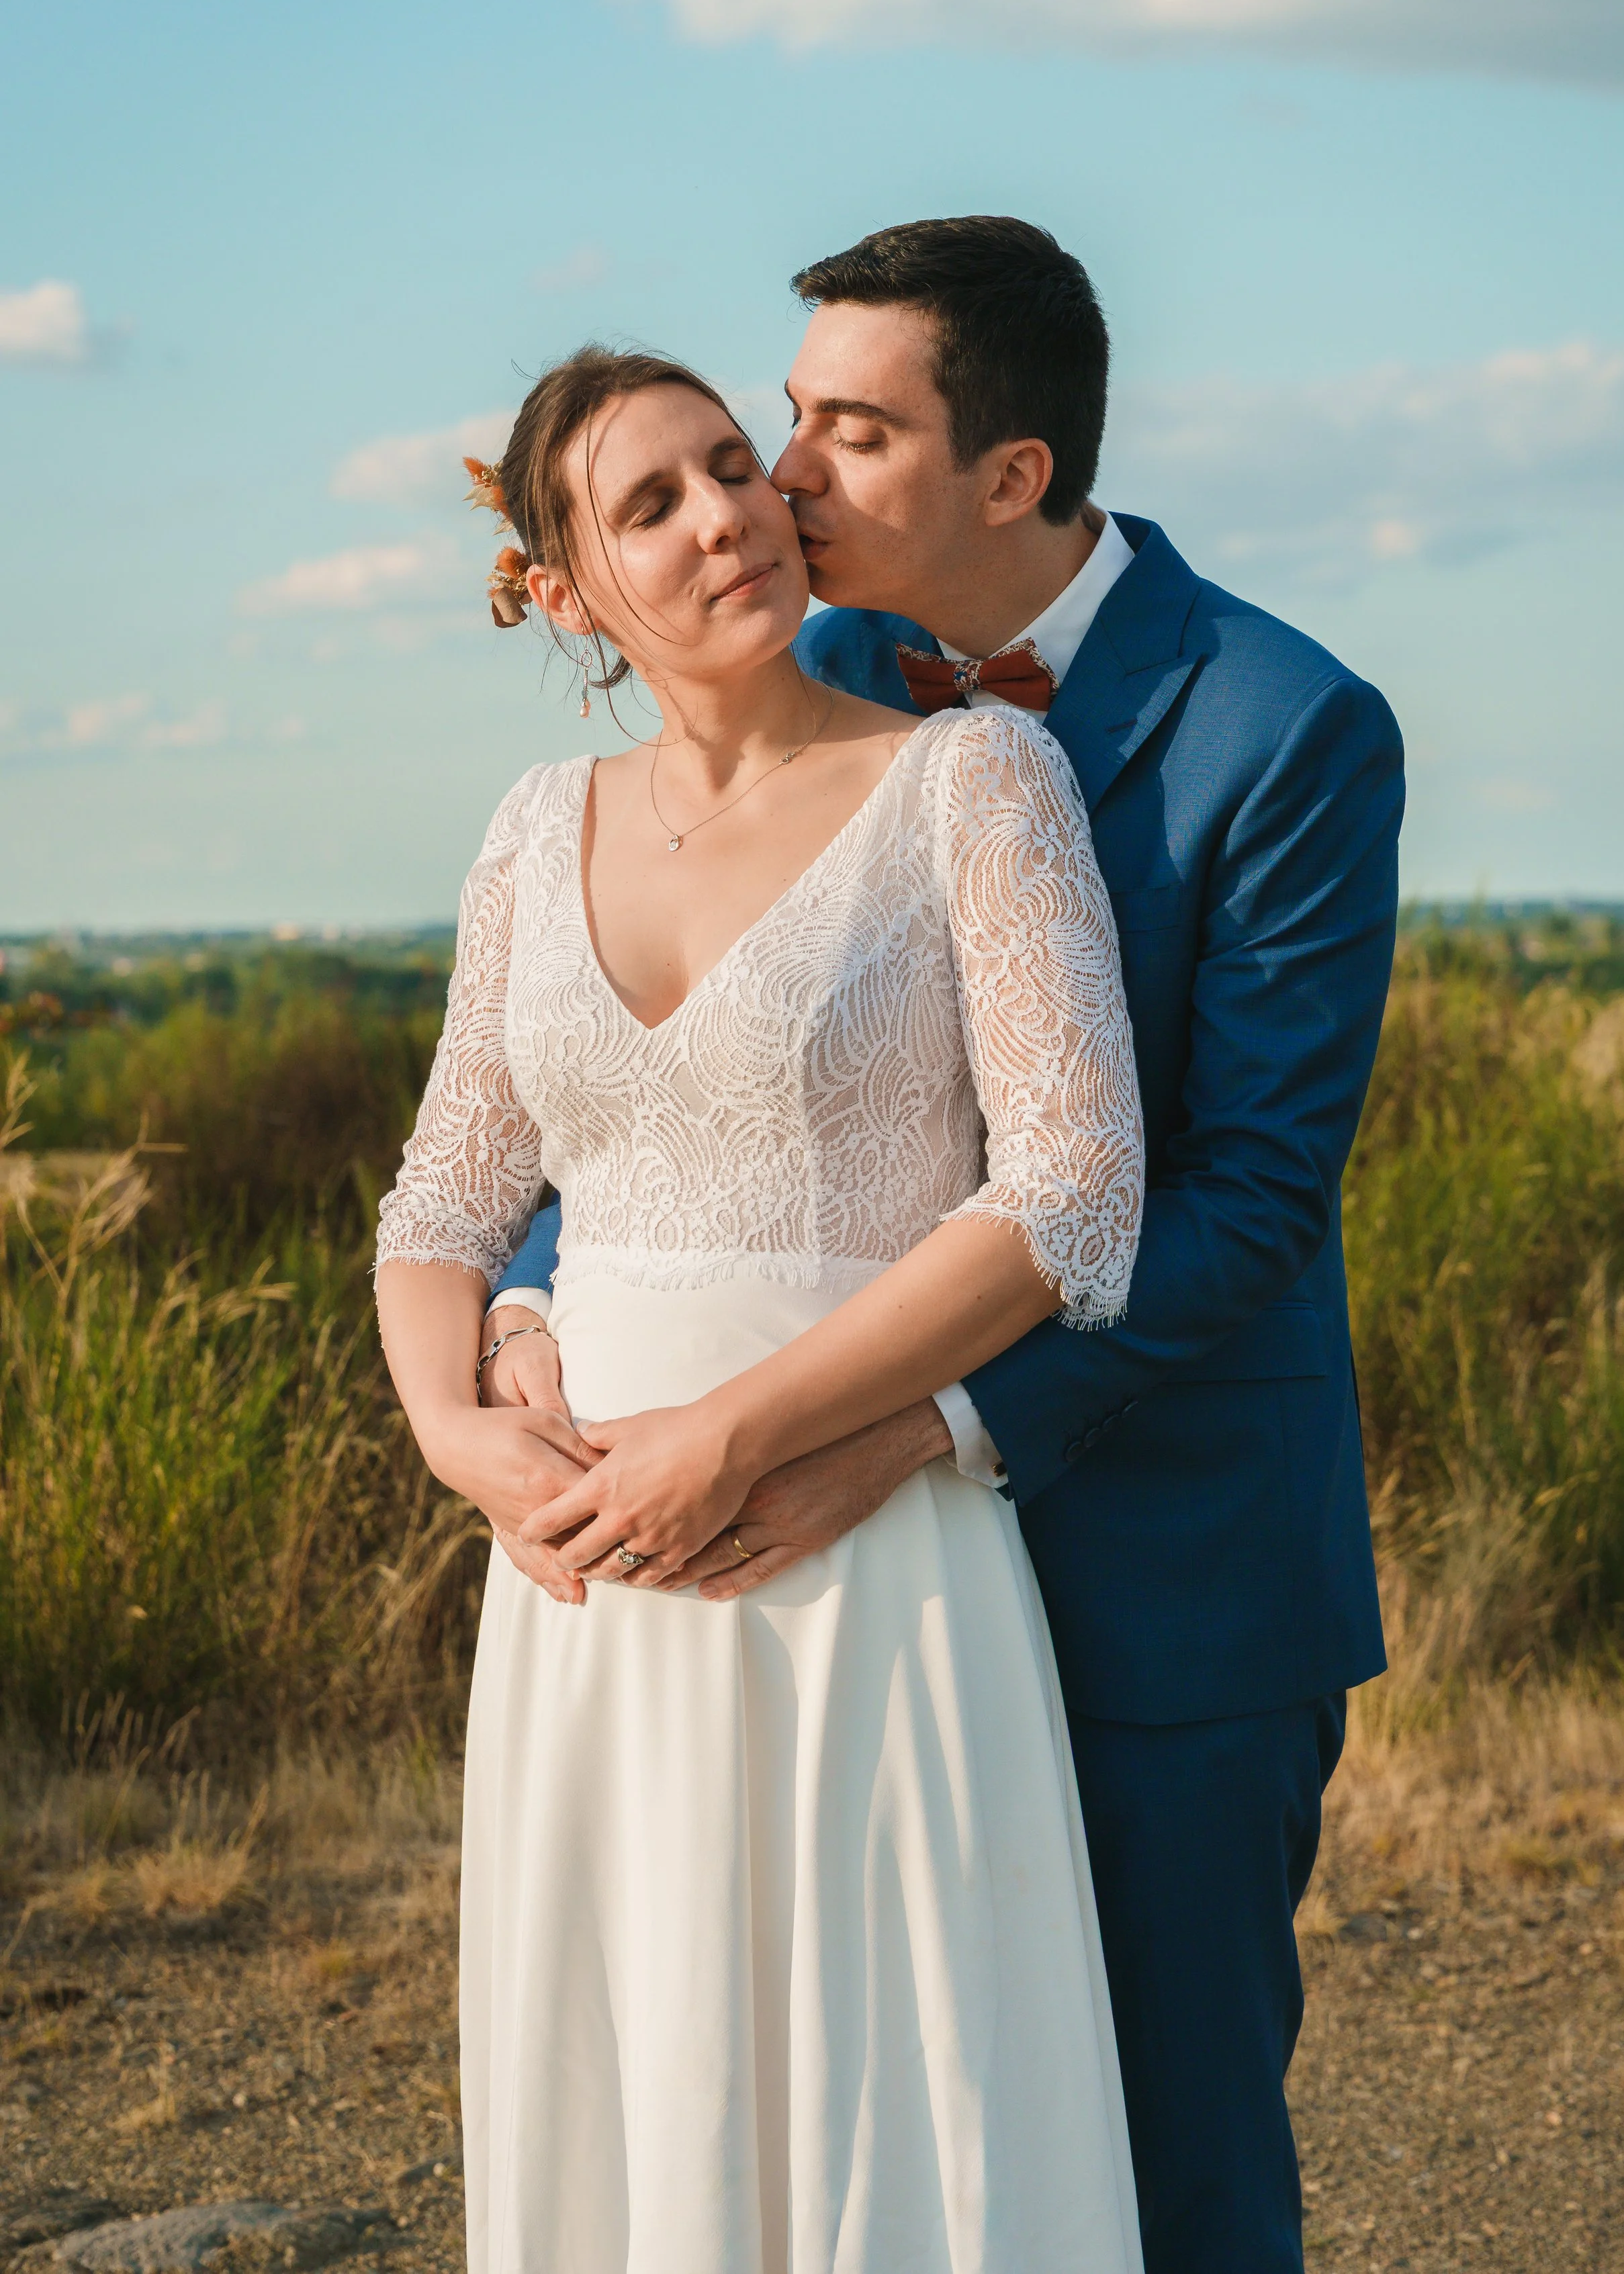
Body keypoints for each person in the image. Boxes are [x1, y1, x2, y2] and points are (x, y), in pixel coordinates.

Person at [488, 218, 1405, 2274]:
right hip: (820, 1601)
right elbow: (667, 1060)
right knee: (832, 2134)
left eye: (850, 430)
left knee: (1159, 2163)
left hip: (1159, 1572)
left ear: (1011, 473)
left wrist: (914, 1432)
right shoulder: (801, 674)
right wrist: (536, 1292)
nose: (779, 480)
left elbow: (1249, 1194)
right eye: (785, 417)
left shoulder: (1286, 729)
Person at [375, 343, 1148, 2273]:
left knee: (892, 2084)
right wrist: (462, 1437)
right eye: (651, 504)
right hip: (585, 1591)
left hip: (861, 1558)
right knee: (637, 2087)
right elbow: (445, 1202)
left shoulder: (973, 778)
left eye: (732, 463)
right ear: (565, 593)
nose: (728, 514)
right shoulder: (531, 828)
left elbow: (1068, 1193)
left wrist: (734, 1435)